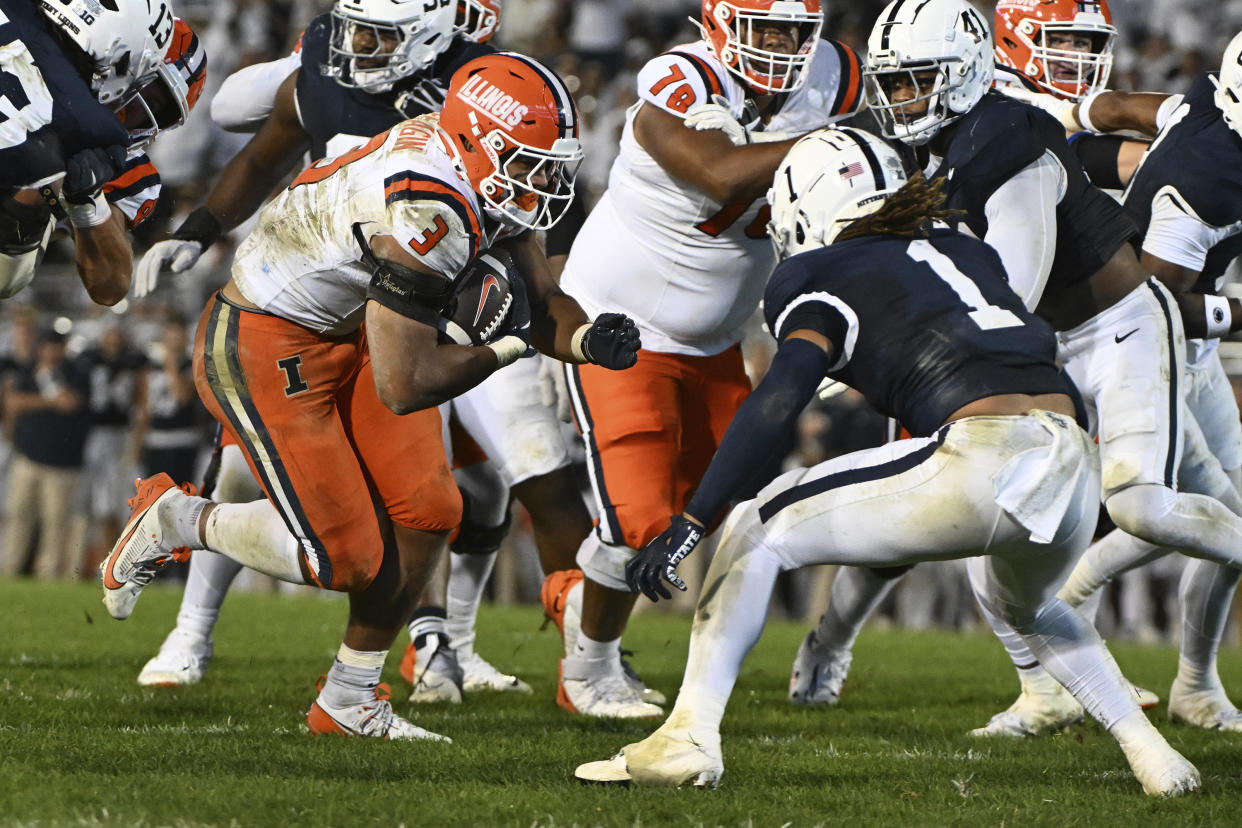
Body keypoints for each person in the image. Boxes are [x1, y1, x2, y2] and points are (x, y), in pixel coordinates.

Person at [573, 127, 1199, 797]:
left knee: (755, 526)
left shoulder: (815, 273)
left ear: (802, 205)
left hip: (984, 450)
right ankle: (1158, 759)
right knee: (1036, 608)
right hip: (1073, 456)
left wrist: (693, 520)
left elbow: (782, 396)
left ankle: (686, 738)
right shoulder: (962, 248)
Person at [103, 52, 639, 740]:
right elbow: (407, 385)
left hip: (349, 325)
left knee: (429, 511)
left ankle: (349, 698)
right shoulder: (428, 212)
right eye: (528, 161)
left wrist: (589, 340)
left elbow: (538, 301)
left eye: (547, 163)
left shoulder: (477, 171)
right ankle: (178, 519)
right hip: (267, 340)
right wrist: (510, 344)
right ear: (479, 141)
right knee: (345, 557)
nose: (542, 181)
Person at [785, 0, 1242, 742]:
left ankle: (1165, 676)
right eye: (896, 83)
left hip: (1092, 329)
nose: (901, 99)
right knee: (956, 525)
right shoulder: (955, 123)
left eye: (917, 82)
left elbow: (1032, 257)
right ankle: (1032, 686)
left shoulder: (1009, 128)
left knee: (1143, 506)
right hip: (1033, 335)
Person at [545, 0, 864, 719]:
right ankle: (588, 671)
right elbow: (721, 175)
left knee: (714, 510)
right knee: (638, 525)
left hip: (719, 338)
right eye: (765, 27)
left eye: (793, 29)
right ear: (723, 22)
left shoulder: (832, 78)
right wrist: (839, 142)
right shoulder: (679, 80)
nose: (781, 45)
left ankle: (594, 619)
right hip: (618, 327)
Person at [0, 0, 190, 303]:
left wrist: (88, 202)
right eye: (141, 90)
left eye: (153, 107)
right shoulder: (94, 127)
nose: (131, 109)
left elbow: (110, 286)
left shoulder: (121, 157)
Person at [2, 328, 91, 579]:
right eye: (47, 345)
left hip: (62, 463)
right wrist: (49, 401)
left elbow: (70, 403)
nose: (51, 350)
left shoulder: (76, 371)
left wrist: (43, 388)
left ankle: (48, 574)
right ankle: (10, 569)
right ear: (40, 346)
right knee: (18, 515)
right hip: (28, 456)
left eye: (56, 345)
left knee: (55, 522)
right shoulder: (27, 368)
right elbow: (12, 402)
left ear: (63, 347)